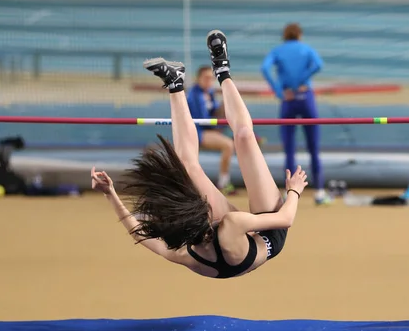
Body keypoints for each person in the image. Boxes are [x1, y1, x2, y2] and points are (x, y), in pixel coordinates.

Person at [91, 30, 308, 279]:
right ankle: (223, 70)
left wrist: (111, 194)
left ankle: (175, 83)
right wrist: (294, 190)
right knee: (245, 138)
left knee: (188, 167)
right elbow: (285, 218)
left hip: (233, 240)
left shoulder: (185, 251)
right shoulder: (230, 224)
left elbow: (140, 233)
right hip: (271, 230)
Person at [261, 23, 331, 205]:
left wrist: (279, 90)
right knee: (313, 147)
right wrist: (302, 79)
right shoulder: (306, 49)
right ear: (299, 35)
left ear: (284, 35)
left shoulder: (278, 50)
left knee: (289, 149)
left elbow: (264, 68)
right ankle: (320, 192)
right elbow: (319, 65)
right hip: (305, 96)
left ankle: (288, 194)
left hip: (288, 99)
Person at [187, 66, 236, 195]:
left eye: (211, 78)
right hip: (197, 132)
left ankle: (224, 181)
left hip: (207, 129)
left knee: (230, 143)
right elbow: (202, 119)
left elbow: (215, 111)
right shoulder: (194, 95)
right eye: (206, 78)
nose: (209, 81)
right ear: (199, 79)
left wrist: (225, 106)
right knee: (228, 145)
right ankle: (223, 183)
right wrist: (216, 127)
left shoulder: (210, 93)